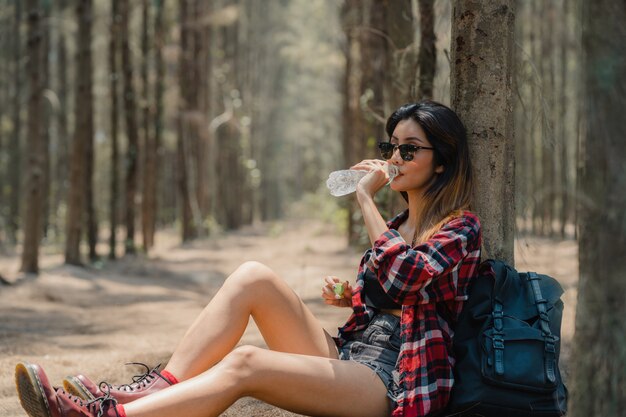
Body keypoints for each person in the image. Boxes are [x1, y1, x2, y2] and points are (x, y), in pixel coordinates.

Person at [15, 100, 482, 417]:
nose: (393, 158)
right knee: (252, 275)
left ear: (441, 160)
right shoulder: (399, 224)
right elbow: (391, 296)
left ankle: (112, 415)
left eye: (408, 149)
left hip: (393, 381)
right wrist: (353, 295)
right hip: (352, 354)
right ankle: (157, 392)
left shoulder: (461, 228)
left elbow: (405, 281)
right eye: (389, 147)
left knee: (246, 364)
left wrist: (364, 198)